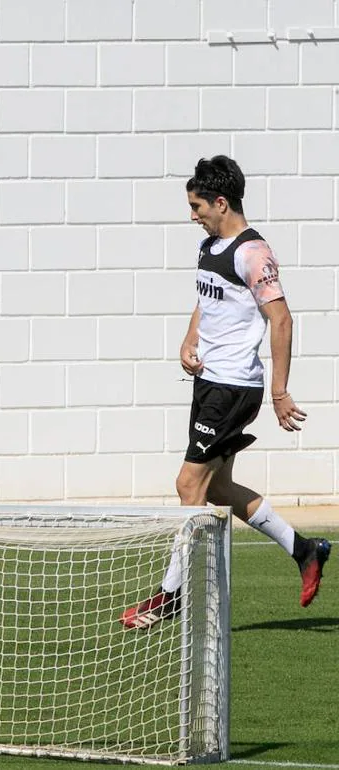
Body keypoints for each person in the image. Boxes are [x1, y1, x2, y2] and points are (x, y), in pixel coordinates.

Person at [121, 156, 330, 630]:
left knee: (187, 485)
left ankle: (168, 597)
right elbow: (206, 297)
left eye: (197, 206)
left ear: (221, 202)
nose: (192, 214)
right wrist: (189, 338)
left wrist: (279, 392)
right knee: (217, 488)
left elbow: (281, 318)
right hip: (209, 382)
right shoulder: (209, 247)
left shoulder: (253, 253)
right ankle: (305, 549)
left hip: (234, 387)